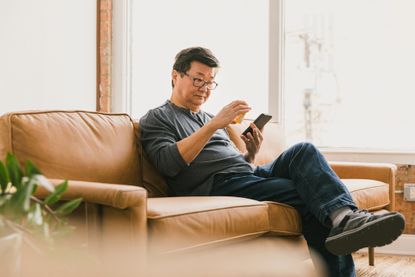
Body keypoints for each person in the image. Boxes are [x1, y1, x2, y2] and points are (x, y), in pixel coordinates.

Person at [139, 46, 405, 277]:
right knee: (312, 199)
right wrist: (215, 124)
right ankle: (345, 223)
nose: (205, 89)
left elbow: (233, 163)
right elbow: (168, 163)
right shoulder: (158, 118)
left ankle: (345, 217)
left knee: (303, 150)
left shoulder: (207, 118)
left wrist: (250, 153)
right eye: (198, 80)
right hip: (217, 185)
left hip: (246, 174)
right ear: (175, 76)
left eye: (210, 83)